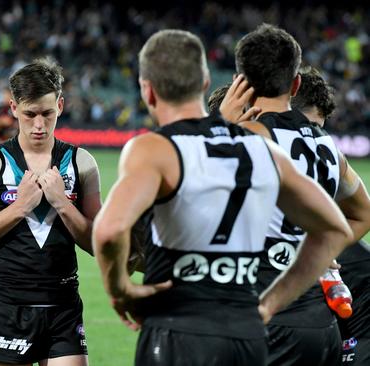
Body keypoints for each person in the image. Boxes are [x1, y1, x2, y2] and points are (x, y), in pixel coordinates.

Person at [92, 29, 354, 366]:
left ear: (147, 90)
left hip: (179, 329)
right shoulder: (263, 150)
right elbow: (335, 229)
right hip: (247, 333)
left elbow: (109, 231)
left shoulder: (154, 149)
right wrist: (271, 304)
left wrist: (120, 291)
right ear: (204, 82)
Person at [219, 25, 370, 365]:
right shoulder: (328, 146)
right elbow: (363, 214)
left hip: (263, 320)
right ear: (296, 83)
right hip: (321, 323)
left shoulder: (242, 140)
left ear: (239, 82)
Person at [0, 58, 101, 366]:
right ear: (13, 108)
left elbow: (97, 244)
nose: (39, 124)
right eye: (29, 114)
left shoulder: (81, 162)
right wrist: (19, 207)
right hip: (8, 303)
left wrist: (62, 203)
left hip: (62, 302)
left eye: (47, 113)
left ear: (60, 105)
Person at [291, 65, 370, 366]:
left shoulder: (325, 154)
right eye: (310, 126)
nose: (314, 137)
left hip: (356, 306)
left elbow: (364, 213)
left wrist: (323, 251)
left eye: (319, 129)